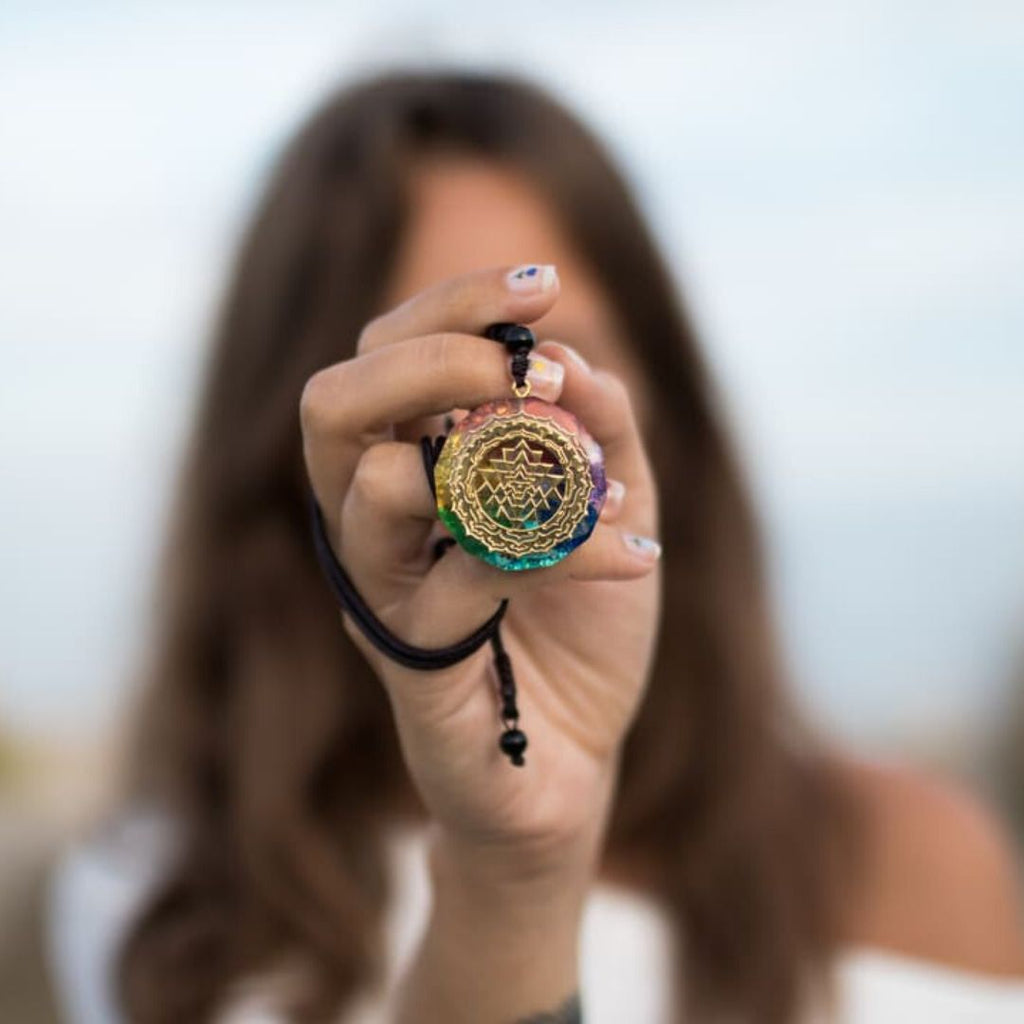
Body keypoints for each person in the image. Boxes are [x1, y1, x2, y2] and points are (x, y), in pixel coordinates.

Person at [46, 69, 1024, 1024]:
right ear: (295, 454)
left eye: (553, 362)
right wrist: (512, 872)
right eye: (425, 389)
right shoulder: (169, 917)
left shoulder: (910, 869)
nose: (512, 422)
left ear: (667, 414)